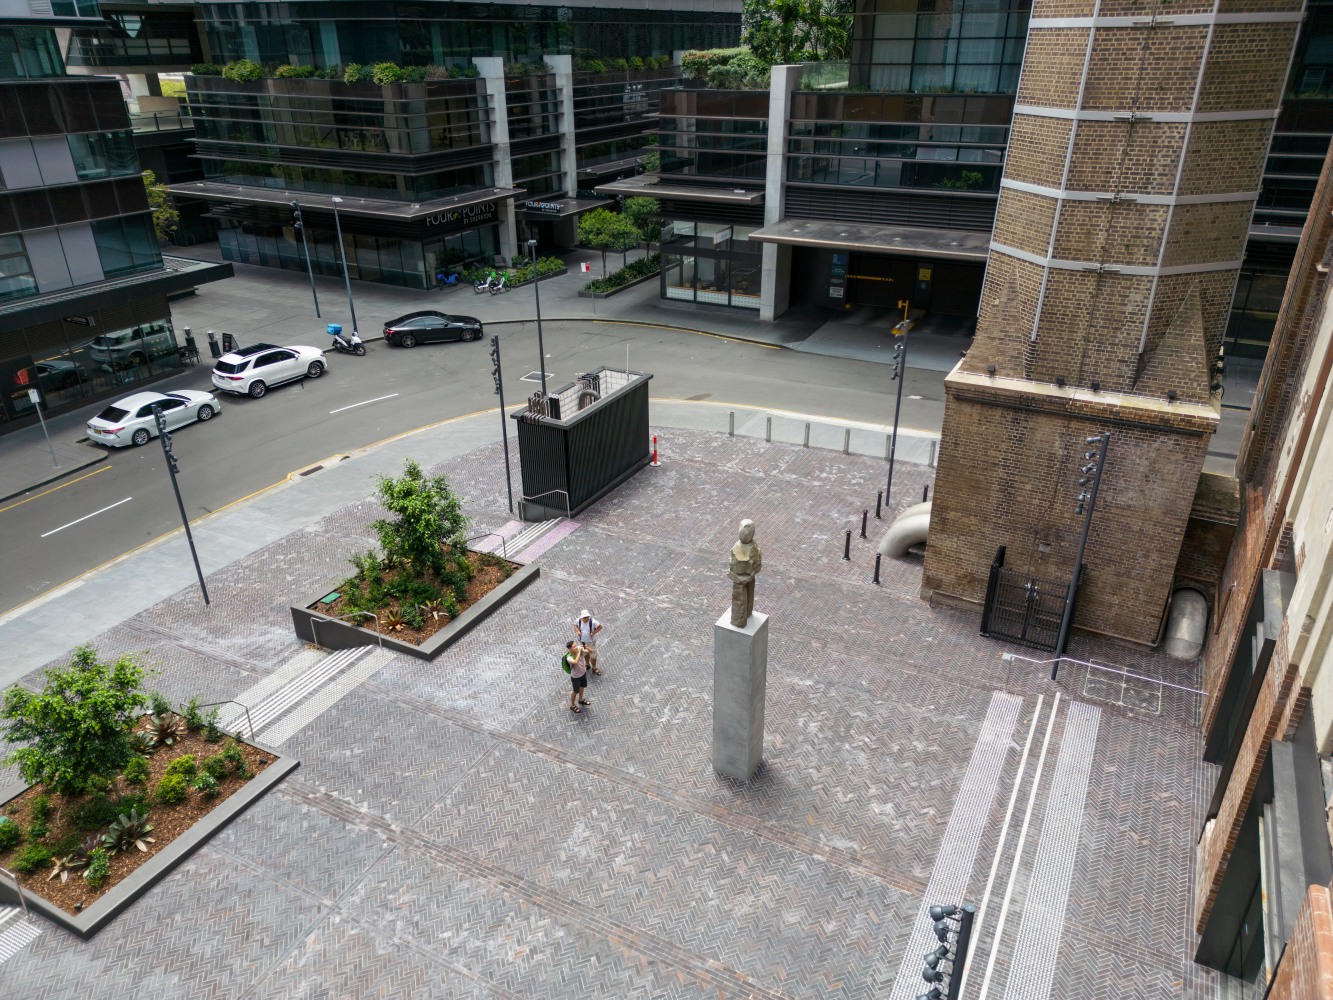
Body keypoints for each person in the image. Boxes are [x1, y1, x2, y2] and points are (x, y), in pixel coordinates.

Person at [563, 640, 590, 712]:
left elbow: (588, 652)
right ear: (569, 649)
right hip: (575, 677)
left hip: (583, 673)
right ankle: (572, 705)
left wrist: (586, 648)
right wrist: (579, 652)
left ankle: (580, 699)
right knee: (575, 691)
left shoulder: (578, 649)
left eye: (575, 645)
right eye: (574, 646)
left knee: (582, 686)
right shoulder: (568, 657)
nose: (576, 647)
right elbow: (575, 662)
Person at [574, 610, 603, 675]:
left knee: (593, 655)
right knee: (585, 654)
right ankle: (587, 664)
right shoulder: (578, 620)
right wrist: (577, 631)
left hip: (591, 642)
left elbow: (600, 627)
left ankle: (594, 668)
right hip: (582, 641)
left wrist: (593, 632)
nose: (586, 618)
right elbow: (575, 625)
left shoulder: (593, 622)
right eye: (584, 617)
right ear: (581, 617)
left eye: (587, 617)